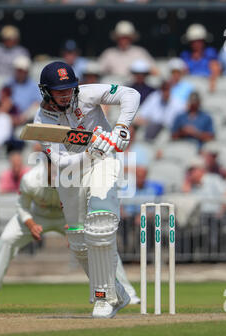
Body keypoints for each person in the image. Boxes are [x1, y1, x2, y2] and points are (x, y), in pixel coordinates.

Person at [33, 61, 140, 318]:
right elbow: (61, 162)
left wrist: (121, 127)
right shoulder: (42, 121)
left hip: (104, 162)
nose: (66, 94)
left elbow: (131, 94)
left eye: (69, 88)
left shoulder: (88, 93)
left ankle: (102, 298)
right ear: (46, 91)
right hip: (71, 173)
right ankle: (117, 292)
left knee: (100, 223)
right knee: (79, 242)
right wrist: (90, 153)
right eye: (60, 91)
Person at [0, 158, 140, 305]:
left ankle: (128, 293)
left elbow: (82, 203)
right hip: (37, 216)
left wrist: (76, 227)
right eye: (54, 167)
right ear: (46, 165)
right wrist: (31, 224)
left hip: (68, 216)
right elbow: (22, 206)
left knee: (101, 241)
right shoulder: (31, 179)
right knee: (6, 239)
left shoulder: (75, 177)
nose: (58, 172)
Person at [180, 24, 221, 92]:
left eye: (199, 41)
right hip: (191, 88)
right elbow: (183, 73)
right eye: (193, 41)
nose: (196, 44)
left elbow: (216, 70)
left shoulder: (210, 53)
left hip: (207, 86)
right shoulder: (185, 55)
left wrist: (212, 82)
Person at [5, 55, 41, 125]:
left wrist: (24, 117)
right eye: (18, 70)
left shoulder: (34, 86)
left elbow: (38, 104)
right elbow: (2, 103)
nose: (20, 73)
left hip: (28, 120)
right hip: (9, 120)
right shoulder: (8, 83)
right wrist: (10, 117)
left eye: (23, 70)